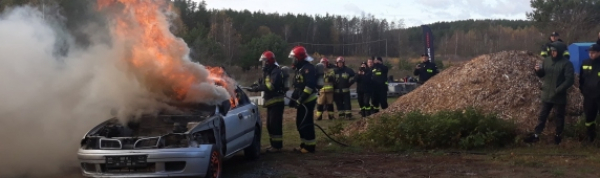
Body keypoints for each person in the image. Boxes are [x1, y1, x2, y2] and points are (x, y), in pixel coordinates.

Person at [524, 44, 574, 145]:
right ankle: (536, 135)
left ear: (559, 51)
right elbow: (542, 74)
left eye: (554, 51)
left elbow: (569, 80)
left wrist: (558, 89)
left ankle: (558, 136)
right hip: (547, 94)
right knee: (542, 115)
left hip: (559, 96)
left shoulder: (566, 64)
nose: (552, 52)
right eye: (551, 51)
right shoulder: (547, 60)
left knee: (559, 117)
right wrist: (537, 71)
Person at [247, 51, 286, 153]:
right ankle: (273, 145)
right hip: (271, 102)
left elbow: (271, 86)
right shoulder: (268, 71)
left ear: (269, 61)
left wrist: (258, 88)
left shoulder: (276, 72)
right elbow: (263, 83)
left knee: (275, 125)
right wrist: (255, 86)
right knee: (269, 125)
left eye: (265, 61)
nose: (263, 64)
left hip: (276, 102)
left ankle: (277, 146)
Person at [288, 46, 318, 153]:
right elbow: (299, 86)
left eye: (294, 58)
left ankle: (310, 147)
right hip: (303, 100)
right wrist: (295, 99)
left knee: (306, 123)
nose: (293, 61)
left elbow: (310, 86)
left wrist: (301, 99)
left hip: (308, 100)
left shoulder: (308, 69)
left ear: (299, 58)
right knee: (299, 123)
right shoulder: (300, 69)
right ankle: (304, 144)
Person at [579, 44, 600, 143]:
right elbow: (581, 79)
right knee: (589, 117)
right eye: (589, 52)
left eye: (593, 52)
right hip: (589, 96)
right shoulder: (585, 63)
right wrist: (583, 90)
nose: (591, 54)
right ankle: (590, 136)